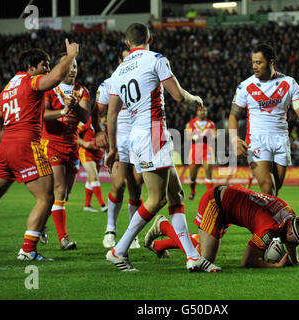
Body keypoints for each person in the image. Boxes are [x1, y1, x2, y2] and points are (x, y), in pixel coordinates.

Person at [105, 22, 221, 272]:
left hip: (136, 135)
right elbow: (178, 95)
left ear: (128, 44)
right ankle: (119, 250)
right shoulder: (156, 59)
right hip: (152, 132)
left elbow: (111, 115)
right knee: (156, 199)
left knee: (176, 194)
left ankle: (192, 257)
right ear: (150, 39)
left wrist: (113, 148)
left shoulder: (118, 71)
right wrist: (194, 98)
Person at [0, 40, 79, 260]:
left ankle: (30, 248)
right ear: (31, 67)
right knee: (46, 198)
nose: (47, 69)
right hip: (27, 146)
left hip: (5, 149)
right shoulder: (31, 82)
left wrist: (11, 143)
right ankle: (28, 250)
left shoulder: (6, 89)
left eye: (48, 64)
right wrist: (70, 55)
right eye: (44, 64)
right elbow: (56, 78)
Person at [145, 185, 299, 268]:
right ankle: (164, 226)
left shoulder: (289, 213)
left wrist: (295, 261)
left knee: (199, 245)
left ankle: (158, 245)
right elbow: (247, 262)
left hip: (230, 203)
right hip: (215, 203)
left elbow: (291, 238)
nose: (295, 246)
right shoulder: (268, 229)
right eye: (297, 243)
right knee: (203, 260)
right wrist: (275, 266)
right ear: (291, 231)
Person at [228, 43, 299, 196]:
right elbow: (233, 116)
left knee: (274, 192)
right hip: (256, 140)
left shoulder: (289, 83)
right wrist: (234, 139)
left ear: (271, 62)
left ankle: (266, 218)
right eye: (253, 62)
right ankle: (265, 220)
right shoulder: (245, 86)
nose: (254, 66)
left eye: (259, 62)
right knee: (267, 186)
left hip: (281, 139)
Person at [94, 46, 143, 249]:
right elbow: (98, 112)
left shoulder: (144, 80)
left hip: (141, 138)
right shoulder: (109, 83)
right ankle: (110, 228)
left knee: (136, 190)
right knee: (119, 185)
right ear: (120, 62)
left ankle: (132, 234)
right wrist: (99, 132)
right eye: (124, 59)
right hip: (120, 139)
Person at [41, 53, 91, 250]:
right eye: (69, 66)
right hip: (51, 143)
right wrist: (62, 111)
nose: (73, 70)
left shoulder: (82, 91)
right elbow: (42, 115)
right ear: (60, 68)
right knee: (59, 189)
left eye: (75, 66)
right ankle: (64, 239)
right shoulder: (49, 89)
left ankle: (42, 222)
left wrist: (75, 106)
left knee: (64, 195)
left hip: (71, 145)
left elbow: (86, 117)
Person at [78, 110, 107, 212]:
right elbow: (74, 133)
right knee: (94, 176)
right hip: (86, 152)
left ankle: (87, 205)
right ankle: (103, 205)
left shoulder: (109, 126)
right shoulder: (89, 122)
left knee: (91, 179)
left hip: (98, 154)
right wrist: (84, 143)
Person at [185, 106, 216, 200]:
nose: (202, 112)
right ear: (197, 112)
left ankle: (210, 196)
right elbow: (188, 137)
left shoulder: (210, 124)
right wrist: (194, 137)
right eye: (200, 110)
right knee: (193, 176)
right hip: (195, 151)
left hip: (207, 150)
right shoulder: (191, 123)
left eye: (204, 110)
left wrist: (214, 136)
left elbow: (214, 135)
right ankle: (192, 191)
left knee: (208, 171)